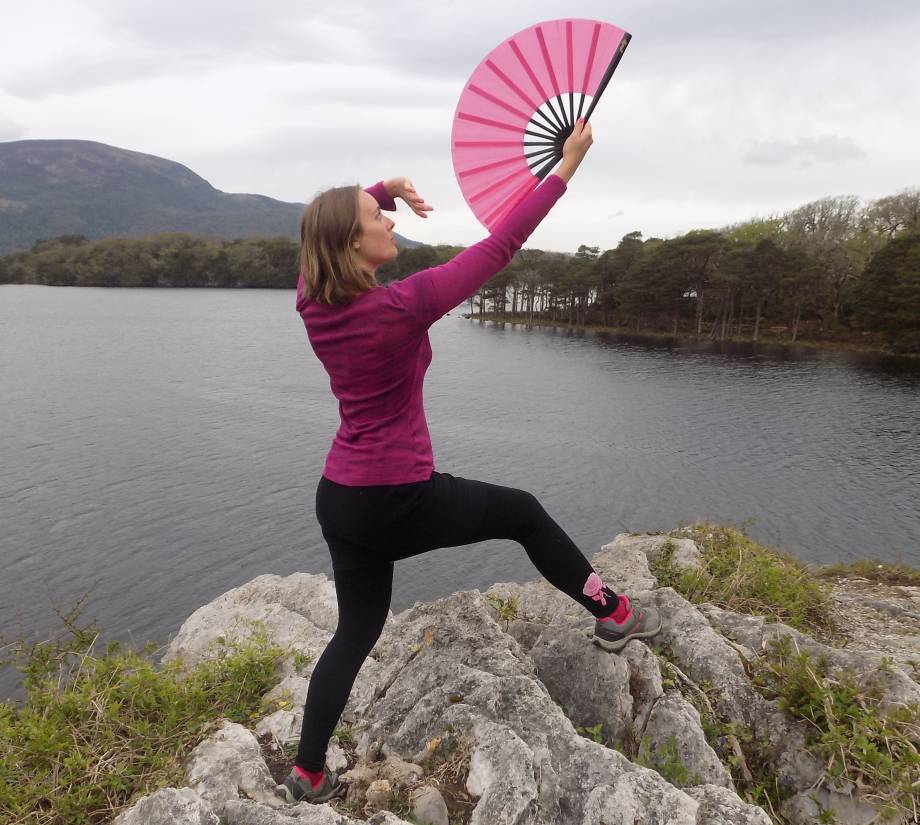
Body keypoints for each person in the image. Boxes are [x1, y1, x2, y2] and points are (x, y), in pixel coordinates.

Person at [276, 119, 661, 804]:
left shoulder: (314, 302)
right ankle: (613, 611)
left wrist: (381, 187)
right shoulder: (402, 305)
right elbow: (501, 244)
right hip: (397, 496)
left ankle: (307, 773)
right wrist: (565, 167)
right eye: (377, 217)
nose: (390, 220)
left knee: (356, 630)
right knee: (522, 512)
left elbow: (321, 240)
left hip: (340, 497)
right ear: (351, 243)